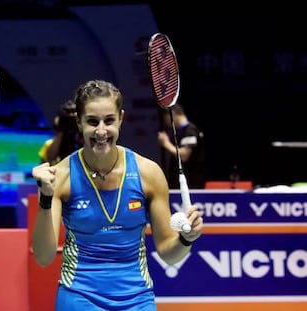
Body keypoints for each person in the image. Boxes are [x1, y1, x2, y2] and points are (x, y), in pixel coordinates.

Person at [31, 79, 203, 311]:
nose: (101, 131)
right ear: (79, 123)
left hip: (137, 299)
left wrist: (186, 239)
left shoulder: (148, 174)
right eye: (92, 121)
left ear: (121, 119)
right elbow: (43, 257)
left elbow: (169, 253)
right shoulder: (61, 176)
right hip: (79, 297)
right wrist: (45, 199)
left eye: (109, 120)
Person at [157, 104, 206, 189]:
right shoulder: (181, 132)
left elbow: (184, 156)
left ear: (172, 114)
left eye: (165, 118)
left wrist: (166, 143)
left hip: (191, 185)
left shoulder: (190, 131)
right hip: (180, 184)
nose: (165, 122)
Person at [38, 99, 84, 165]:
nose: (71, 118)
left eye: (74, 113)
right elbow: (51, 157)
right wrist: (61, 128)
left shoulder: (86, 135)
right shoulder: (51, 143)